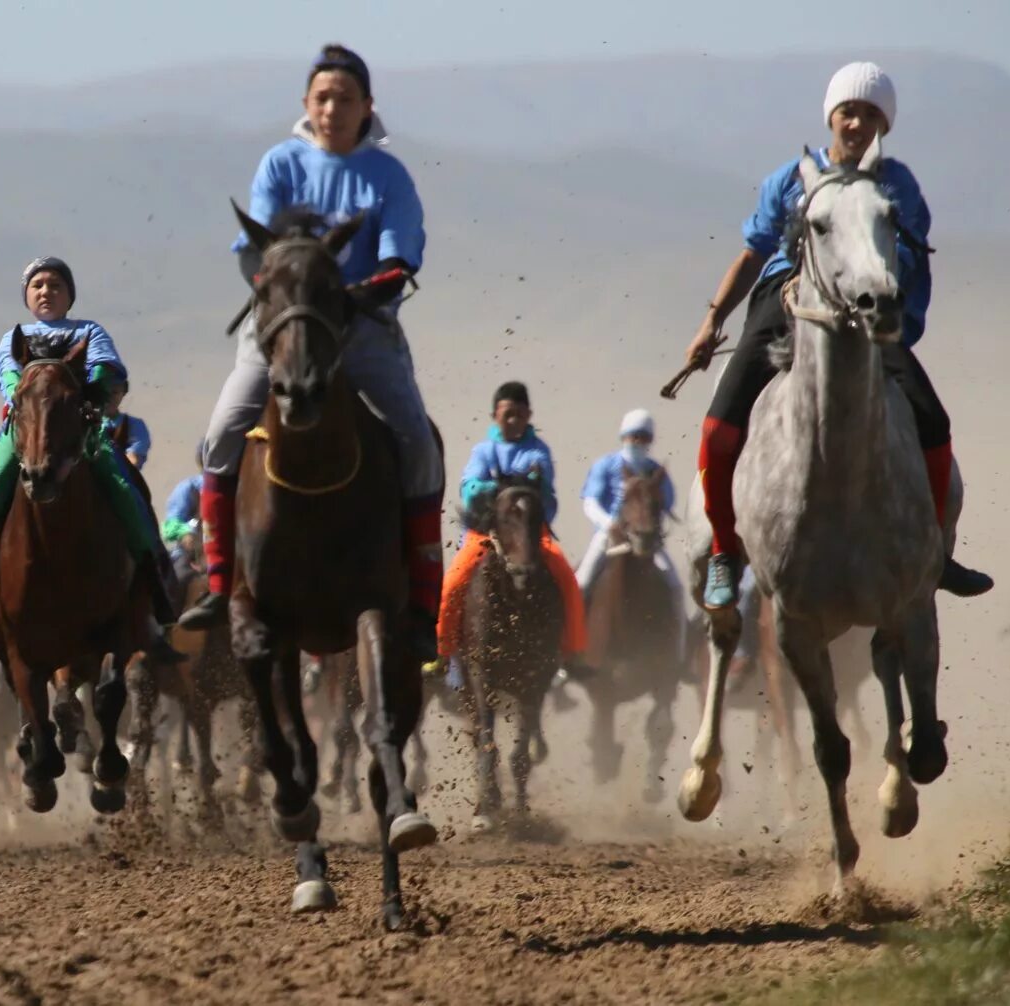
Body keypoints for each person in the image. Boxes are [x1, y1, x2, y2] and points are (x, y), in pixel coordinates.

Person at [683, 61, 991, 609]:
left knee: (933, 423)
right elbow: (754, 252)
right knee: (718, 426)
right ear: (832, 116)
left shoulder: (896, 185)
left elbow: (912, 260)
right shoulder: (790, 179)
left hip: (871, 310)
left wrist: (897, 317)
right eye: (849, 111)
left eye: (871, 114)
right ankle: (725, 551)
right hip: (787, 301)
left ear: (884, 126)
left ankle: (936, 555)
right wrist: (713, 320)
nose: (857, 123)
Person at [177, 44, 445, 662]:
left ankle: (422, 602)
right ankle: (221, 585)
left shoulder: (389, 176)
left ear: (367, 106)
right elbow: (263, 251)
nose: (333, 107)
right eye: (323, 97)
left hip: (363, 328)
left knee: (416, 441)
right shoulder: (280, 163)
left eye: (346, 97)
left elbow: (401, 258)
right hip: (281, 330)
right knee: (221, 434)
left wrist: (354, 298)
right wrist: (291, 306)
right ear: (307, 104)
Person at [0, 256, 185, 661]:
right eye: (37, 285)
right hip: (24, 430)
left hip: (79, 431)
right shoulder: (14, 337)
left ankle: (151, 572)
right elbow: (8, 374)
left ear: (70, 295)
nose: (46, 291)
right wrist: (32, 392)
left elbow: (106, 368)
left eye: (55, 285)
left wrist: (89, 391)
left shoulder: (88, 331)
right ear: (26, 297)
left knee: (124, 486)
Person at [436, 382, 590, 671]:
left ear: (529, 415)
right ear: (495, 415)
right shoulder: (483, 450)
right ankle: (442, 655)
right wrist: (501, 487)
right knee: (453, 582)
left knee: (567, 578)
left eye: (520, 414)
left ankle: (573, 653)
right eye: (508, 414)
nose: (514, 420)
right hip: (485, 533)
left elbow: (543, 491)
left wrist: (518, 488)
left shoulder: (538, 451)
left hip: (532, 533)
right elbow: (469, 489)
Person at [574, 409, 682, 600]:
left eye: (644, 437)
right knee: (581, 583)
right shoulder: (605, 465)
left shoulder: (655, 471)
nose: (639, 442)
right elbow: (590, 503)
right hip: (608, 536)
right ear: (624, 436)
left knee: (676, 586)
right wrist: (609, 524)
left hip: (647, 539)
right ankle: (572, 628)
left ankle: (680, 630)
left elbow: (667, 505)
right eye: (634, 436)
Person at [162, 439, 207, 587]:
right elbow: (170, 526)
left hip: (229, 552)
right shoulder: (189, 488)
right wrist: (185, 534)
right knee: (177, 580)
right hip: (191, 555)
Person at [101, 377, 152, 471]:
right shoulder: (83, 423)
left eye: (114, 392)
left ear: (123, 393)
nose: (108, 398)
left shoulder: (135, 425)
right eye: (104, 392)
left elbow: (133, 460)